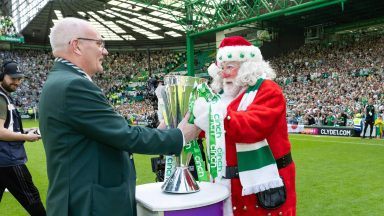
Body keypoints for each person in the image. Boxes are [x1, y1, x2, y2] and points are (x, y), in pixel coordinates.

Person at [39, 17, 199, 216]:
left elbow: (107, 132)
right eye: (99, 43)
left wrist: (156, 132)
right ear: (76, 46)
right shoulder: (73, 85)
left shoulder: (62, 80)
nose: (105, 51)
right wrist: (180, 136)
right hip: (89, 204)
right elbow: (125, 135)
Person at [192, 36, 296, 215]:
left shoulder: (268, 90)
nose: (224, 73)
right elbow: (209, 133)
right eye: (221, 68)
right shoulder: (222, 98)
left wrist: (211, 115)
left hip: (261, 187)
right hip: (228, 184)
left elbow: (250, 128)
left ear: (247, 66)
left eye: (230, 67)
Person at [0, 60, 46, 216]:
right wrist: (26, 137)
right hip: (9, 159)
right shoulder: (1, 98)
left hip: (3, 159)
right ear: (2, 76)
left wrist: (26, 131)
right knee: (32, 198)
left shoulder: (5, 97)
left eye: (19, 78)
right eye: (13, 78)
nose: (17, 82)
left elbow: (8, 127)